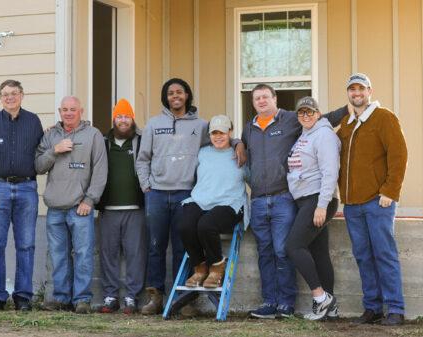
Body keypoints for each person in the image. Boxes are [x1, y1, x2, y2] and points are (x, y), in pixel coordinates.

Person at [136, 78, 246, 315]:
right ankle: (155, 296)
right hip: (156, 193)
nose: (175, 96)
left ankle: (184, 299)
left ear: (187, 95)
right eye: (170, 93)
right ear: (166, 97)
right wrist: (146, 185)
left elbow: (222, 141)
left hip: (185, 192)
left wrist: (238, 143)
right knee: (155, 246)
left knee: (181, 245)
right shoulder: (154, 124)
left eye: (180, 92)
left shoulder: (201, 125)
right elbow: (142, 158)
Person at [242, 84, 347, 319]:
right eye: (256, 97)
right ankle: (326, 306)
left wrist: (351, 107)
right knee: (314, 252)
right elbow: (243, 148)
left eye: (265, 97)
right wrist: (237, 144)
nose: (261, 101)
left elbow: (330, 171)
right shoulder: (251, 128)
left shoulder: (310, 128)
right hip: (274, 199)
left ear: (275, 98)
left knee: (289, 248)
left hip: (302, 199)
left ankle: (310, 300)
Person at [337, 73, 408, 326]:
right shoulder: (346, 123)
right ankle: (373, 307)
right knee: (363, 256)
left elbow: (399, 156)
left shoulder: (384, 118)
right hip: (352, 204)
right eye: (352, 89)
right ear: (348, 93)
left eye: (361, 89)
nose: (356, 93)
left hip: (378, 203)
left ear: (369, 90)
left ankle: (396, 309)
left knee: (384, 254)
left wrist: (390, 191)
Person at [0, 79, 43, 311]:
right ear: (0, 97)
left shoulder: (33, 122)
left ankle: (23, 296)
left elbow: (42, 153)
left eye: (14, 93)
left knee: (26, 245)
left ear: (22, 95)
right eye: (5, 94)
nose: (10, 97)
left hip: (27, 189)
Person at [35, 96, 107, 314]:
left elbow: (100, 171)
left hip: (80, 207)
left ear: (81, 111)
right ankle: (60, 298)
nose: (68, 113)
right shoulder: (50, 136)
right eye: (64, 109)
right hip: (55, 206)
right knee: (58, 255)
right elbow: (38, 166)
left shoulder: (93, 135)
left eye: (72, 109)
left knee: (83, 254)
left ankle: (82, 299)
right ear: (59, 111)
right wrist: (54, 150)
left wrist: (90, 199)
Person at [285, 97, 340, 321]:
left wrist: (322, 205)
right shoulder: (305, 135)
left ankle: (320, 298)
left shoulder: (324, 135)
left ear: (318, 113)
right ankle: (332, 308)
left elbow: (330, 172)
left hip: (317, 199)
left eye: (310, 112)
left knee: (294, 246)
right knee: (319, 253)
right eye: (301, 113)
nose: (305, 116)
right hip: (307, 199)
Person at [178, 115, 248, 290]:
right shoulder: (202, 152)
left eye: (222, 132)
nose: (218, 136)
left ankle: (216, 266)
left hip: (229, 201)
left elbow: (253, 177)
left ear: (230, 132)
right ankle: (200, 267)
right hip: (202, 198)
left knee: (206, 226)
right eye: (214, 133)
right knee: (185, 225)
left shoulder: (240, 153)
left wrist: (239, 144)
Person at [96, 98, 146, 315]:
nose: (123, 120)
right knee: (108, 254)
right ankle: (110, 296)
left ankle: (132, 297)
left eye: (127, 116)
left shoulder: (142, 140)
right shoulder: (102, 141)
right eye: (119, 116)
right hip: (108, 209)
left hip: (136, 208)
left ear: (132, 119)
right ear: (113, 119)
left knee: (136, 254)